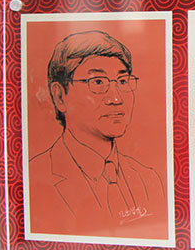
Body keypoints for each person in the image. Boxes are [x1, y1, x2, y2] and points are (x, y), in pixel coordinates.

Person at [28, 30, 167, 238]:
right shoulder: (36, 178)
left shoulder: (148, 179)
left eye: (122, 81)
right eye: (98, 82)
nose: (116, 98)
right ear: (60, 96)